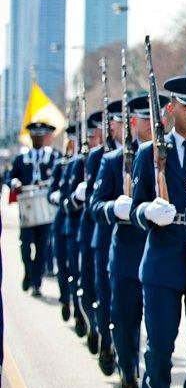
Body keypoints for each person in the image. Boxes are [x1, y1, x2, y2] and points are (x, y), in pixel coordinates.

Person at [130, 76, 186, 388]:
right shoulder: (150, 152)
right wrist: (147, 211)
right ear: (170, 108)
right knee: (160, 346)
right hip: (162, 262)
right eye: (185, 105)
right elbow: (134, 208)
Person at [92, 94, 166, 388]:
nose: (153, 124)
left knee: (157, 333)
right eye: (146, 119)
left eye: (156, 118)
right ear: (133, 123)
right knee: (124, 321)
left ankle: (150, 385)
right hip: (124, 255)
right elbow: (96, 207)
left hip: (158, 256)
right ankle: (127, 370)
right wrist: (115, 208)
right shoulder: (111, 161)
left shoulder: (165, 158)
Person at [65, 110, 106, 355]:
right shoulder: (87, 160)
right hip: (89, 231)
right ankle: (91, 324)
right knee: (90, 288)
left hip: (121, 238)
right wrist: (77, 196)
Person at [88, 100, 123, 376]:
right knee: (105, 297)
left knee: (125, 310)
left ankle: (128, 360)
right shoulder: (100, 157)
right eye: (116, 121)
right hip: (103, 238)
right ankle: (106, 343)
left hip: (132, 243)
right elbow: (93, 201)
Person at [5, 122, 58, 297]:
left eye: (41, 136)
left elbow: (59, 179)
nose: (39, 139)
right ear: (31, 138)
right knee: (25, 246)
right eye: (35, 136)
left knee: (42, 248)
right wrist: (15, 183)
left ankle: (36, 282)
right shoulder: (22, 158)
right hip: (27, 209)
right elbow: (10, 177)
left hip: (45, 210)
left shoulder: (52, 157)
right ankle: (28, 272)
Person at [49, 124, 79, 321]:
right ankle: (64, 299)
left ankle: (78, 307)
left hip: (78, 224)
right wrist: (58, 196)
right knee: (62, 263)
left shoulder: (87, 163)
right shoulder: (61, 165)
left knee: (77, 268)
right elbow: (51, 193)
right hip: (62, 221)